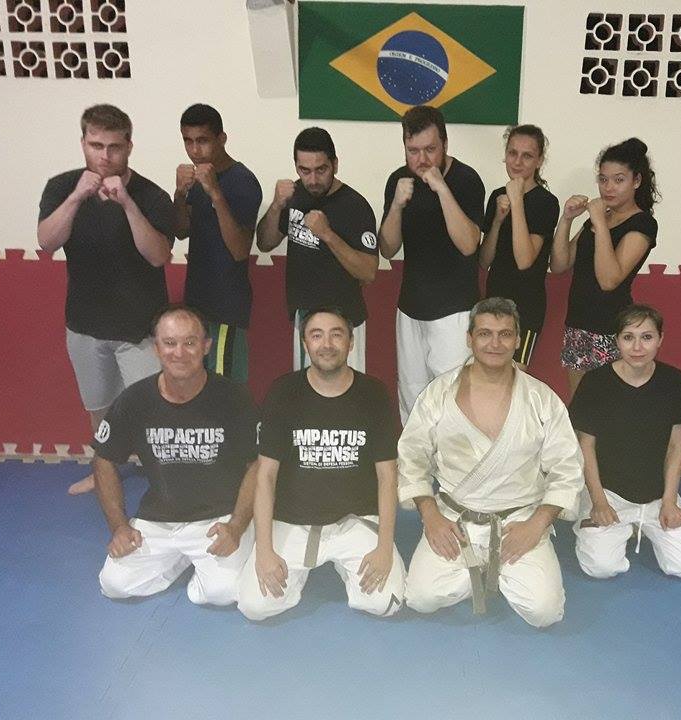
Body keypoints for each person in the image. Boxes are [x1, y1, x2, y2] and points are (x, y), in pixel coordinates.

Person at [397, 297, 584, 627]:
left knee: (544, 613)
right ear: (469, 339)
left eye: (505, 334)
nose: (495, 343)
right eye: (484, 333)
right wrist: (431, 515)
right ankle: (488, 570)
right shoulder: (439, 392)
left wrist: (537, 525)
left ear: (518, 340)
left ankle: (493, 569)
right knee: (421, 598)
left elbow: (567, 468)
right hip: (455, 519)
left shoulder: (541, 398)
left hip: (518, 520)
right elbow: (412, 457)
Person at [38, 104, 173, 495]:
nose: (105, 156)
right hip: (85, 324)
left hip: (140, 328)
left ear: (129, 146)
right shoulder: (62, 187)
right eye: (96, 145)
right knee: (99, 409)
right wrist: (77, 197)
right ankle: (104, 472)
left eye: (114, 147)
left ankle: (166, 481)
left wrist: (127, 203)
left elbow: (158, 256)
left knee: (152, 409)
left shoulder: (150, 195)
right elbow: (47, 242)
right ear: (83, 143)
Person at [237, 306, 406, 620]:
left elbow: (387, 476)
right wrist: (264, 550)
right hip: (292, 520)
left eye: (336, 335)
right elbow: (265, 476)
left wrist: (384, 547)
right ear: (305, 344)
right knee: (254, 606)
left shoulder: (373, 394)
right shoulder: (283, 392)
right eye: (316, 335)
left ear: (350, 343)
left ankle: (346, 563)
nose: (326, 344)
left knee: (385, 603)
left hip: (354, 520)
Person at [93, 304, 259, 605]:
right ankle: (181, 559)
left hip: (218, 519)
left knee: (222, 593)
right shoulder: (135, 400)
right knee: (114, 584)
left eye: (190, 342)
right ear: (156, 348)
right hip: (158, 520)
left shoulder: (234, 398)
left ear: (206, 346)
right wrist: (119, 526)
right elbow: (104, 458)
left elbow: (257, 465)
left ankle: (202, 565)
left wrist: (237, 525)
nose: (179, 353)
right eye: (169, 343)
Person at [569, 304, 681, 580]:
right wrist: (599, 502)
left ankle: (642, 522)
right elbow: (586, 446)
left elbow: (675, 447)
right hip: (609, 493)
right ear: (617, 340)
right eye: (628, 337)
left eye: (647, 337)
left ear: (660, 339)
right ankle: (609, 524)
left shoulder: (674, 382)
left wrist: (669, 501)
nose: (637, 347)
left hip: (656, 494)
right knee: (601, 568)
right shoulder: (595, 383)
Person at [378, 105, 485, 422]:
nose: (421, 159)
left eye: (430, 149)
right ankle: (415, 456)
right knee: (412, 397)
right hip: (410, 309)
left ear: (445, 144)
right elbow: (387, 248)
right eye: (413, 151)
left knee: (454, 401)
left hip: (455, 312)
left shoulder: (466, 180)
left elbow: (468, 244)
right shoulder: (398, 180)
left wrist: (441, 189)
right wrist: (396, 206)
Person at [255, 128, 377, 372]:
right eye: (304, 170)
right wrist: (277, 205)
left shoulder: (355, 205)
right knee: (307, 390)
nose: (312, 180)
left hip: (345, 321)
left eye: (321, 170)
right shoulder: (293, 197)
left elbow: (368, 272)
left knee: (346, 391)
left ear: (335, 164)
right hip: (305, 319)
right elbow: (265, 243)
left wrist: (327, 234)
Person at [550, 137, 660, 397]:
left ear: (636, 181)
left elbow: (609, 280)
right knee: (580, 405)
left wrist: (599, 222)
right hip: (578, 324)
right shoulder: (599, 219)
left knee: (611, 408)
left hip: (613, 329)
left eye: (618, 180)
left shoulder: (642, 223)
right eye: (603, 179)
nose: (608, 187)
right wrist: (566, 220)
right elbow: (559, 264)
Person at [174, 103, 262, 382]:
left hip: (227, 307)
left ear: (221, 139)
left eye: (202, 140)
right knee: (197, 385)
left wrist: (215, 193)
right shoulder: (195, 179)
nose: (194, 150)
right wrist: (179, 194)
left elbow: (239, 250)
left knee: (225, 388)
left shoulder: (242, 181)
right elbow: (181, 231)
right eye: (188, 141)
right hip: (196, 302)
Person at [479, 125, 559, 367]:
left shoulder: (546, 203)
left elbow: (525, 260)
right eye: (512, 153)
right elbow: (484, 260)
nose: (517, 161)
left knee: (515, 377)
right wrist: (497, 221)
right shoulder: (497, 196)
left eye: (527, 156)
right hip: (494, 302)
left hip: (526, 307)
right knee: (489, 374)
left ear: (539, 160)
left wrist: (517, 202)